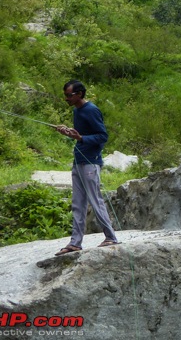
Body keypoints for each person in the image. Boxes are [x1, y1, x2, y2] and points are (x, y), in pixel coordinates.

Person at [54, 80, 119, 256]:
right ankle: (75, 243)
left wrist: (81, 138)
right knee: (78, 203)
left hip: (91, 162)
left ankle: (111, 237)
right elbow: (80, 135)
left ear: (80, 94)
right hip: (78, 161)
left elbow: (102, 136)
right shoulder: (77, 111)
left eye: (69, 95)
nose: (66, 98)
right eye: (65, 95)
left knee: (95, 199)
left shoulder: (91, 110)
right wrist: (69, 132)